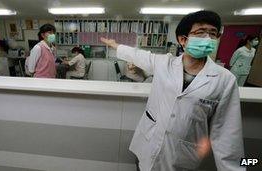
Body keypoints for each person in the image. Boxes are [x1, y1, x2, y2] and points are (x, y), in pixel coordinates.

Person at [101, 10, 244, 171]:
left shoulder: (225, 80)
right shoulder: (164, 63)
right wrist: (115, 45)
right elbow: (139, 55)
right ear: (183, 40)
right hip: (148, 146)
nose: (208, 39)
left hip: (181, 158)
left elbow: (227, 135)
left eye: (213, 33)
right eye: (201, 32)